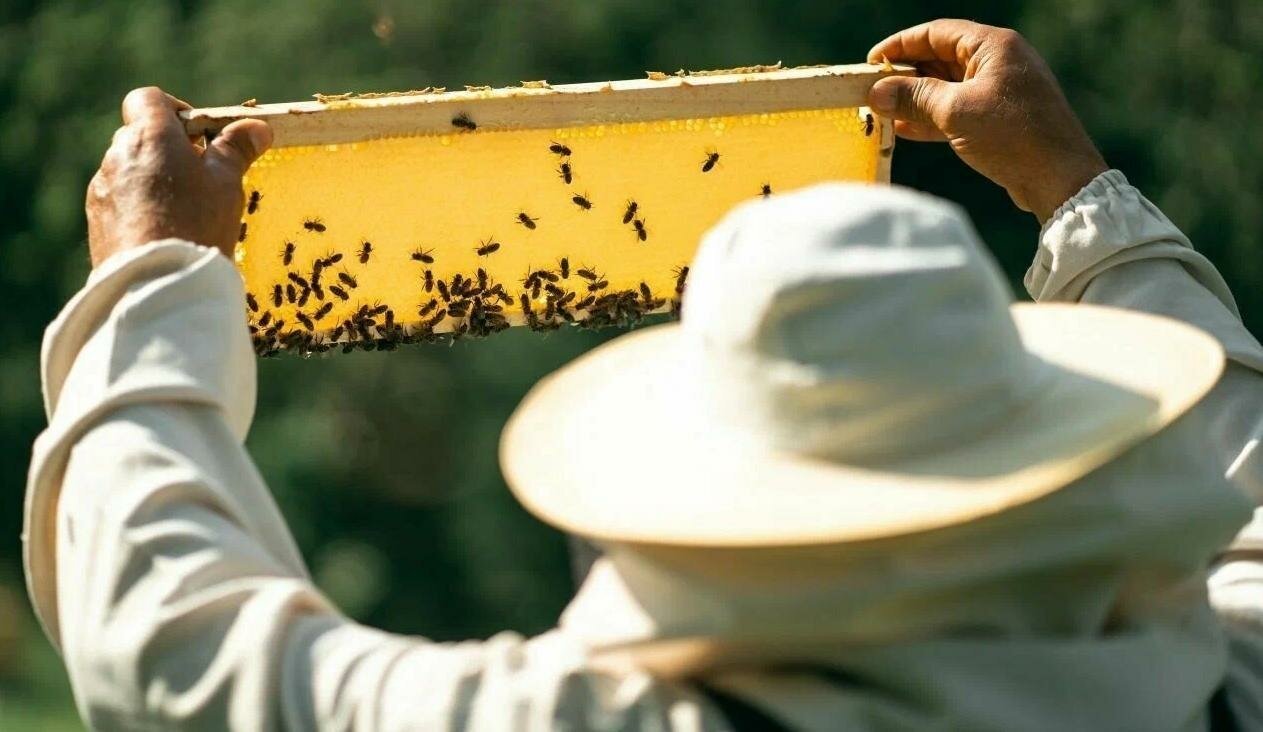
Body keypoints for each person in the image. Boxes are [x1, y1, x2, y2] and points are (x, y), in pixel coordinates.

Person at [21, 17, 1263, 730]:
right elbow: (1244, 501)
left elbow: (176, 651)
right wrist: (1080, 197)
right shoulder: (1212, 689)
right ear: (1042, 450)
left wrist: (154, 277)